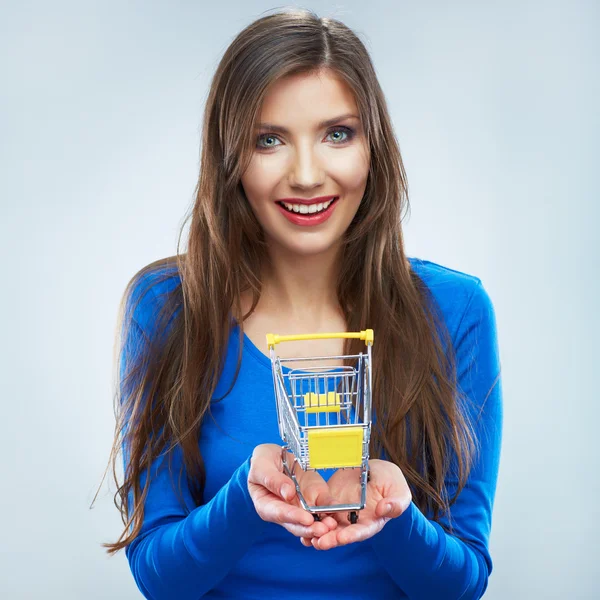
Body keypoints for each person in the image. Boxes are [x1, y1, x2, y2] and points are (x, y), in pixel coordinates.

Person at [102, 8, 503, 600]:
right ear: (230, 157)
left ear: (373, 147)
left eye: (337, 133)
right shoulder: (166, 309)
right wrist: (244, 501)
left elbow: (464, 583)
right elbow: (160, 579)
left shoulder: (456, 309)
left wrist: (394, 519)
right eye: (270, 140)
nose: (308, 174)